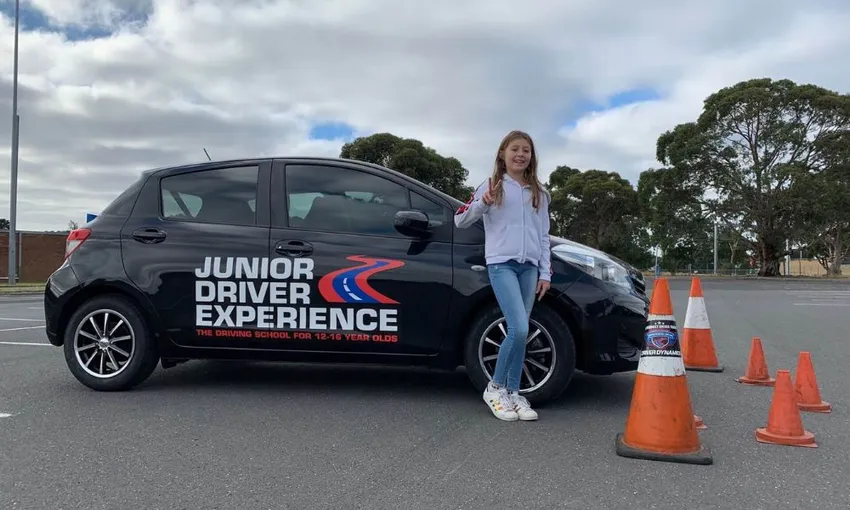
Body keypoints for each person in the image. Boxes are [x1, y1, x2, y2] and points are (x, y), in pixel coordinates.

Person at [454, 130, 552, 422]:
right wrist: (483, 202)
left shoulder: (540, 192)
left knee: (519, 333)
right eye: (515, 150)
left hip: (529, 267)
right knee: (519, 328)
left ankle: (513, 392)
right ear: (502, 154)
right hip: (501, 265)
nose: (521, 155)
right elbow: (461, 219)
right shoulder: (491, 184)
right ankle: (494, 387)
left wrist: (545, 271)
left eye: (526, 150)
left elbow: (544, 236)